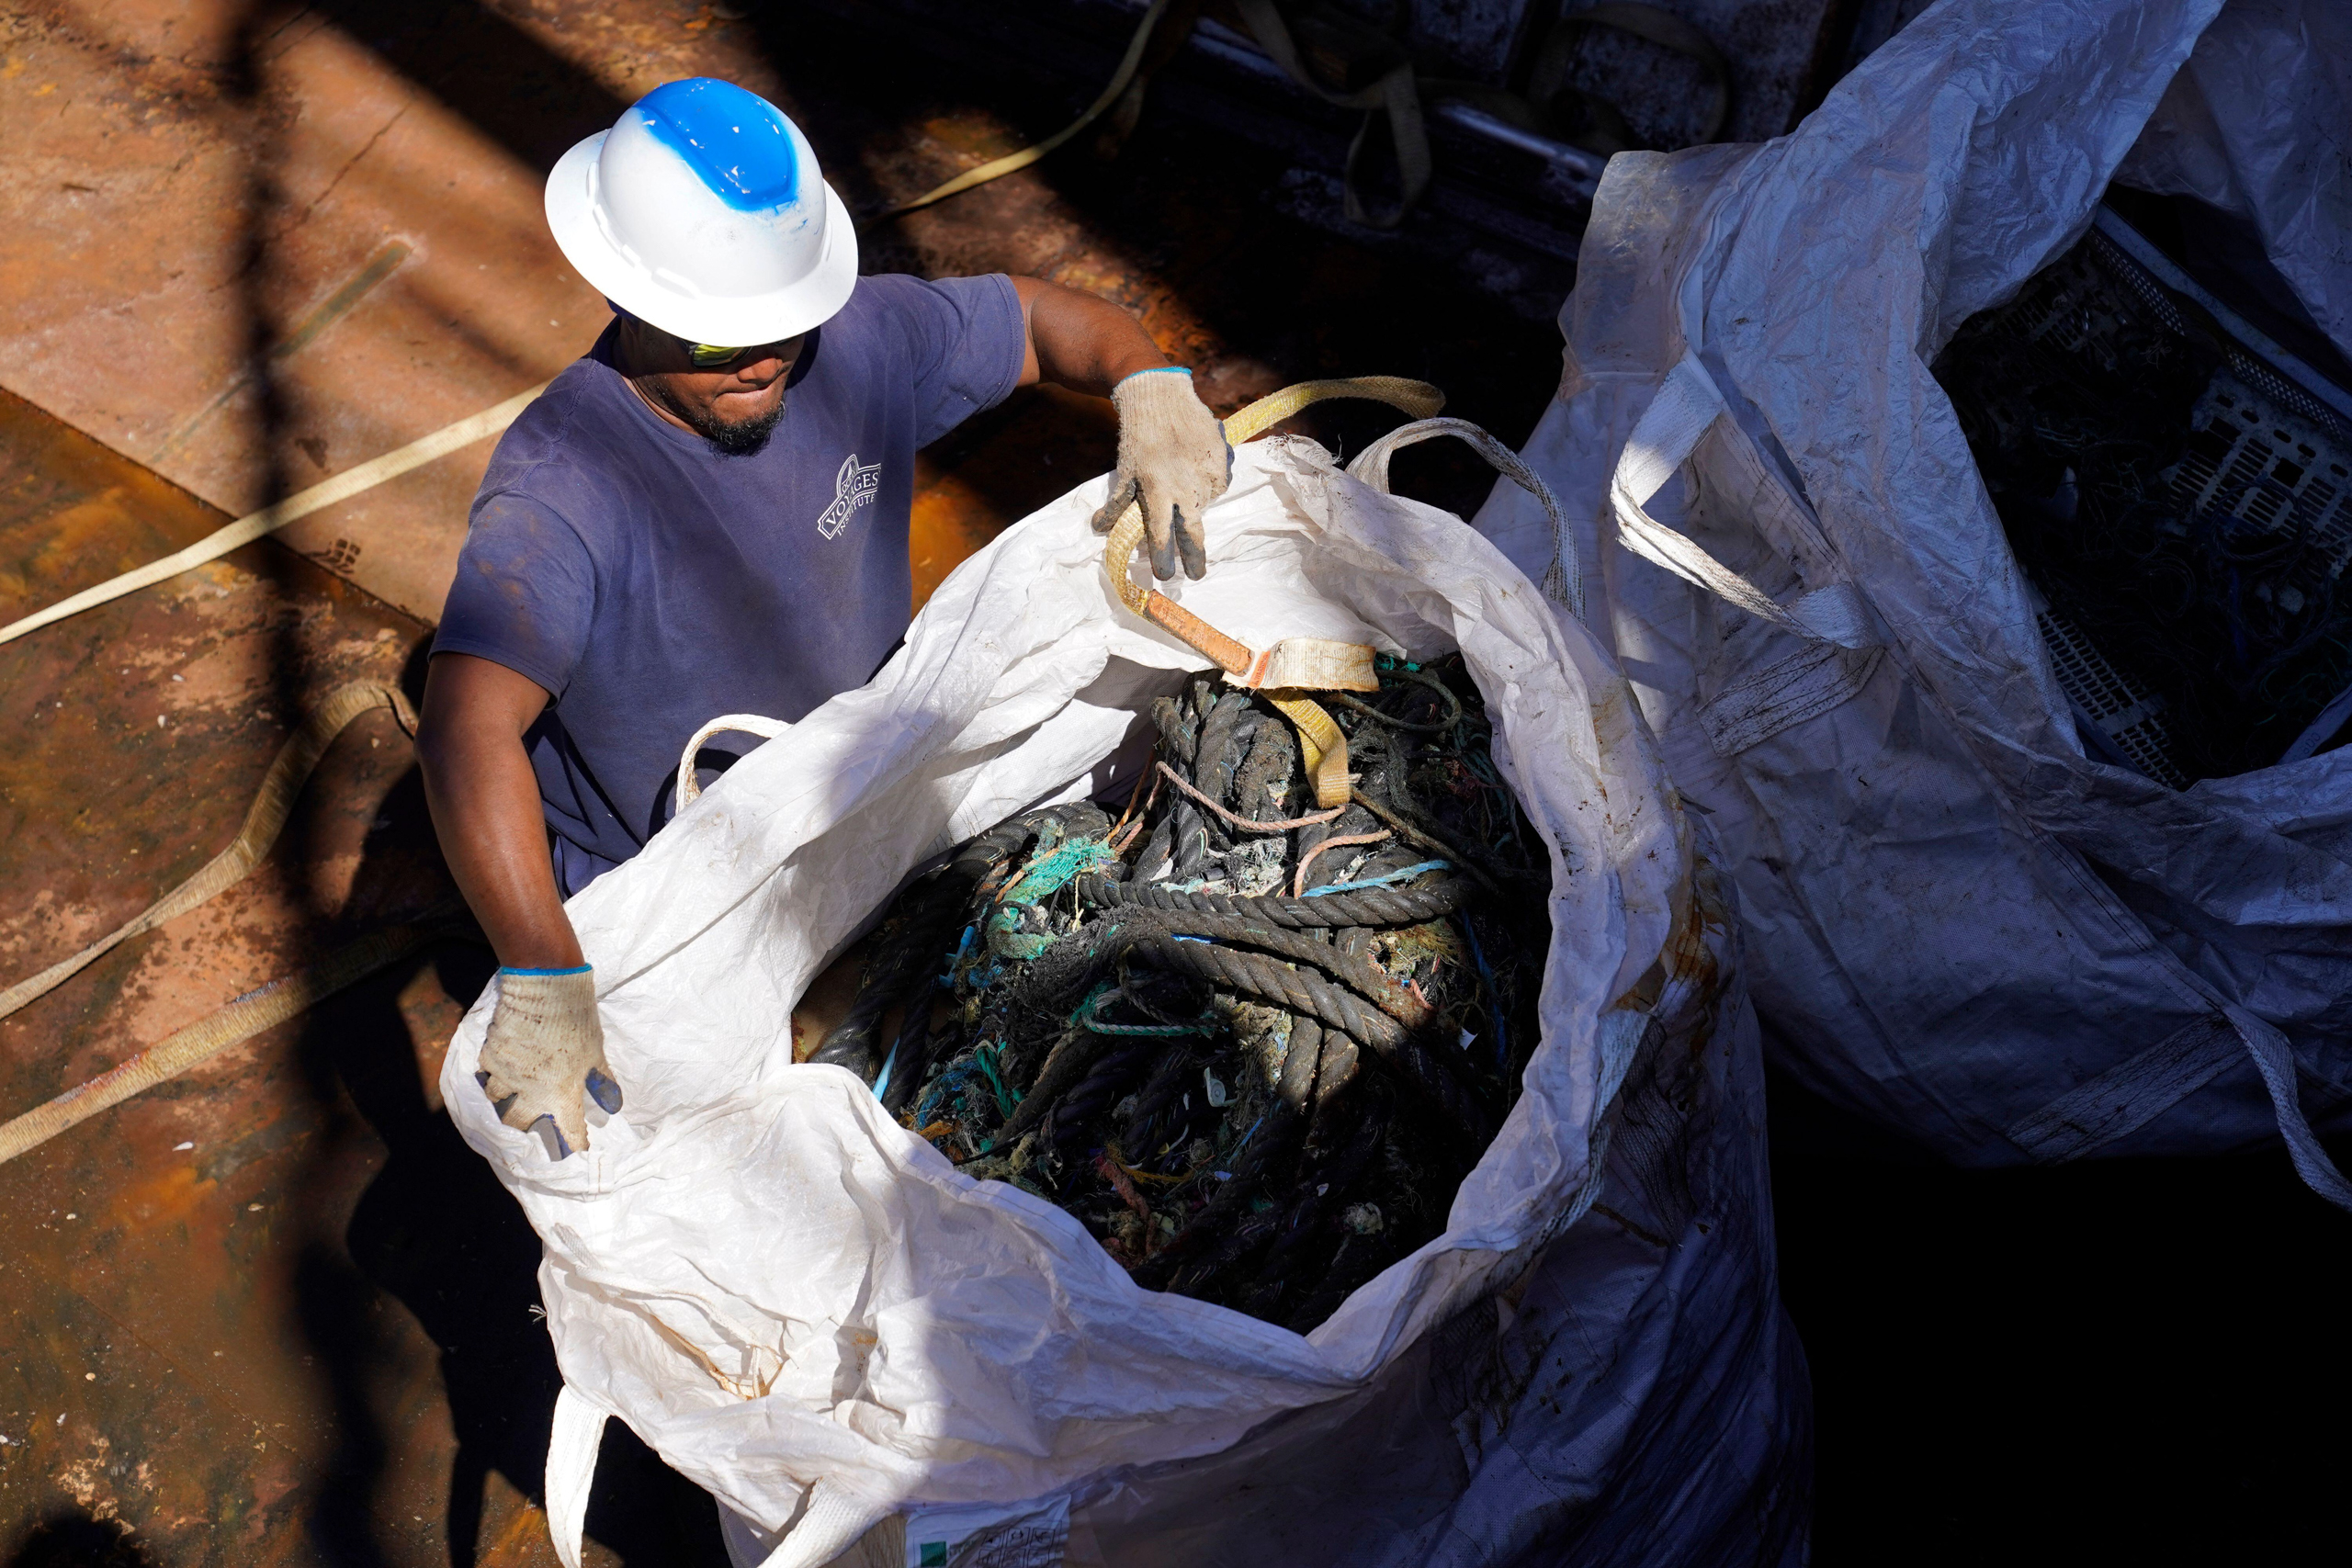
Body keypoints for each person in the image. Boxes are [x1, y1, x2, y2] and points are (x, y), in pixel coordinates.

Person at [414, 78, 1232, 1157]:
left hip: (855, 792)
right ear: (625, 295)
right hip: (673, 877)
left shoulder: (850, 346)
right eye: (717, 341)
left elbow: (1035, 319)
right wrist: (543, 965)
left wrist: (1149, 382)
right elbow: (465, 730)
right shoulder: (563, 489)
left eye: (780, 329)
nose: (760, 362)